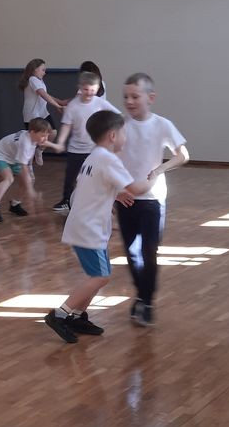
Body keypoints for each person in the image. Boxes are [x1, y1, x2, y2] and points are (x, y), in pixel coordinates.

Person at [44, 110, 154, 344]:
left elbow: (90, 188)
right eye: (123, 133)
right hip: (88, 228)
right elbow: (136, 188)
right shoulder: (108, 159)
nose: (125, 137)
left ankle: (76, 316)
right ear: (113, 135)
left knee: (98, 275)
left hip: (86, 226)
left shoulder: (94, 156)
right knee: (101, 276)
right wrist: (154, 177)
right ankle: (60, 314)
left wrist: (116, 194)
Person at [117, 73, 189, 327]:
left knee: (149, 251)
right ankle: (141, 294)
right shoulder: (120, 126)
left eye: (135, 96)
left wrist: (159, 170)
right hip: (126, 198)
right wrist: (117, 189)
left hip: (152, 199)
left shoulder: (162, 125)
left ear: (151, 97)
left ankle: (146, 302)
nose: (129, 101)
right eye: (126, 97)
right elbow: (110, 160)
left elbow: (183, 155)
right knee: (131, 252)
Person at [50, 70, 119, 213]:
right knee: (71, 177)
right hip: (76, 149)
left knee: (97, 176)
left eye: (93, 90)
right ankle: (66, 200)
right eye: (86, 89)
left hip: (94, 149)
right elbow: (66, 125)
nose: (89, 93)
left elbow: (117, 115)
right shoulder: (73, 106)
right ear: (80, 88)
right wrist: (61, 141)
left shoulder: (100, 103)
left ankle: (104, 201)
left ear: (97, 88)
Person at [0, 119, 52, 223]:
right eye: (43, 136)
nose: (45, 139)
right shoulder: (25, 143)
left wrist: (30, 177)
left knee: (27, 180)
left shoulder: (33, 138)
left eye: (47, 136)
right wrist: (30, 190)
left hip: (14, 158)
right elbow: (24, 165)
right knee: (9, 179)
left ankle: (15, 204)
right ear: (33, 132)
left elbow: (28, 159)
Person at [20, 58, 67, 125]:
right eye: (43, 70)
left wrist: (60, 102)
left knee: (52, 130)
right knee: (46, 131)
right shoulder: (33, 79)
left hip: (42, 113)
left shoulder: (39, 81)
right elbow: (43, 94)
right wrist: (58, 106)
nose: (44, 73)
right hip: (33, 115)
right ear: (35, 69)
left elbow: (45, 95)